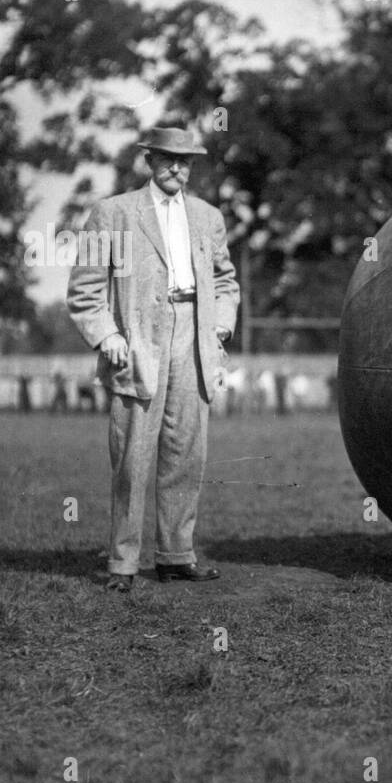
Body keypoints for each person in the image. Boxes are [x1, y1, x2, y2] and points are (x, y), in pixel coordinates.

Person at [67, 126, 240, 592]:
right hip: (138, 339)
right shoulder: (114, 213)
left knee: (186, 452)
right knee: (132, 457)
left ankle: (176, 557)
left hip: (195, 336)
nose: (177, 169)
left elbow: (225, 281)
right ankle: (123, 563)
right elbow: (84, 290)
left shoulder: (207, 217)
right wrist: (107, 336)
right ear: (149, 161)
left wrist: (221, 323)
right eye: (167, 159)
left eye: (185, 162)